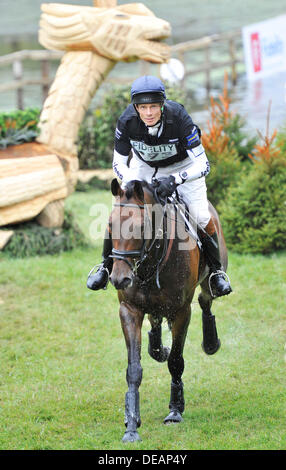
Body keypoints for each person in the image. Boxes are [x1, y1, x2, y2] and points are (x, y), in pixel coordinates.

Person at [87, 75, 232, 298]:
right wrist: (129, 184)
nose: (148, 113)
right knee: (120, 213)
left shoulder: (180, 118)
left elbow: (203, 164)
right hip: (143, 166)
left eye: (153, 106)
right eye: (142, 107)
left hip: (182, 167)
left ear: (162, 105)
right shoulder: (126, 121)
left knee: (202, 216)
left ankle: (215, 273)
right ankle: (105, 267)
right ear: (135, 107)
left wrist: (176, 179)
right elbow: (118, 162)